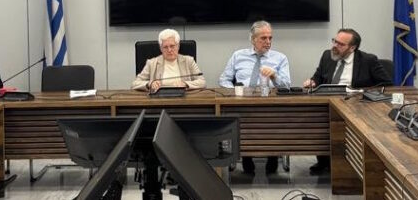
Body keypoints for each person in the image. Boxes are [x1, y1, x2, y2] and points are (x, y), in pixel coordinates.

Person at [302, 28, 390, 174]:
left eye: (341, 44)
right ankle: (323, 161)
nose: (335, 46)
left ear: (352, 47)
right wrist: (312, 82)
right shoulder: (327, 56)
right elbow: (318, 77)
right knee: (317, 122)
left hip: (356, 107)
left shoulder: (368, 60)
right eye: (334, 41)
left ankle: (350, 164)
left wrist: (362, 92)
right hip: (328, 102)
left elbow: (386, 84)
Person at [219, 20, 290, 174]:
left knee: (273, 119)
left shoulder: (280, 58)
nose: (268, 42)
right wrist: (235, 91)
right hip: (242, 102)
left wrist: (274, 76)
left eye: (270, 38)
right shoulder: (238, 56)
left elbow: (286, 86)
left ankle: (273, 155)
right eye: (263, 38)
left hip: (270, 104)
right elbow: (224, 79)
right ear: (253, 39)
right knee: (239, 118)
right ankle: (246, 156)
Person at [132, 28, 205, 91]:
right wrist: (150, 84)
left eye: (172, 46)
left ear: (178, 46)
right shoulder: (152, 63)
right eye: (165, 47)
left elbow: (202, 82)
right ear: (161, 48)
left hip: (183, 98)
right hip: (159, 99)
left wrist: (186, 84)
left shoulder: (188, 61)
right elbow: (135, 84)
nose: (169, 50)